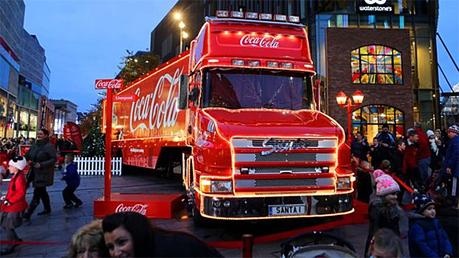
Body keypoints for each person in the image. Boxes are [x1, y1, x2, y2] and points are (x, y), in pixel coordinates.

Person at [102, 211, 223, 258]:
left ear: (137, 236)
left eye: (122, 242)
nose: (116, 253)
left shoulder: (171, 250)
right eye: (110, 247)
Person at [365, 173, 406, 257]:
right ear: (383, 195)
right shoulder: (377, 208)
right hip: (381, 243)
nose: (395, 197)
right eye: (392, 194)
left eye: (396, 194)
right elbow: (374, 229)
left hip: (392, 241)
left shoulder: (394, 208)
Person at [23, 128, 57, 219]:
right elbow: (28, 154)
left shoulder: (49, 146)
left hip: (43, 173)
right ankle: (47, 208)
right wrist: (26, 159)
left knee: (37, 192)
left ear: (46, 135)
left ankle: (28, 213)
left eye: (41, 134)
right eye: (38, 134)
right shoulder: (35, 144)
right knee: (42, 191)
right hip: (33, 171)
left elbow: (54, 159)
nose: (39, 135)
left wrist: (41, 164)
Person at [408, 193, 453, 258]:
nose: (433, 211)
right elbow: (421, 245)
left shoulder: (436, 222)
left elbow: (445, 238)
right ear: (421, 211)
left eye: (433, 208)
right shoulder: (417, 225)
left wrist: (448, 252)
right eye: (429, 209)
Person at [0, 156, 28, 255]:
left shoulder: (19, 177)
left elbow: (21, 192)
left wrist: (10, 201)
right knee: (5, 223)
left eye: (10, 166)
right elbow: (13, 190)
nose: (8, 168)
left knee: (8, 225)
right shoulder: (16, 175)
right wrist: (6, 198)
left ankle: (10, 245)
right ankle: (15, 240)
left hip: (15, 205)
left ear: (16, 167)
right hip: (11, 204)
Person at [444, 124, 459, 209]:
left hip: (455, 168)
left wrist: (449, 166)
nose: (448, 134)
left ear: (454, 133)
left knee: (454, 187)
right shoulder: (455, 141)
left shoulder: (455, 141)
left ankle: (454, 203)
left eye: (450, 132)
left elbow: (455, 155)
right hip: (455, 167)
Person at [414, 123, 432, 190]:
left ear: (416, 127)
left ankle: (424, 187)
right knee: (424, 173)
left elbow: (423, 145)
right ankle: (425, 186)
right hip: (425, 156)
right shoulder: (423, 134)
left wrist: (416, 152)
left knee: (423, 174)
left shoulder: (419, 134)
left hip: (423, 157)